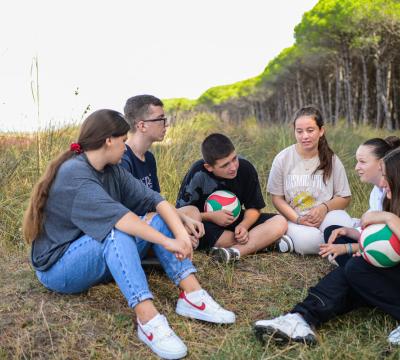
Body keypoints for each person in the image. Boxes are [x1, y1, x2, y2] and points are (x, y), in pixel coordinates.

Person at [23, 110, 235, 360]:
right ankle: (148, 319)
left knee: (158, 218)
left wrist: (180, 235)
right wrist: (170, 241)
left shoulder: (111, 169)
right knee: (117, 231)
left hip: (95, 253)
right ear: (109, 141)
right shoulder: (74, 175)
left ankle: (192, 295)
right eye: (124, 140)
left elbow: (155, 200)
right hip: (60, 269)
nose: (126, 147)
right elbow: (123, 220)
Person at [254, 146, 400, 346]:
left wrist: (387, 217)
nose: (382, 183)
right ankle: (301, 318)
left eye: (386, 176)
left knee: (356, 268)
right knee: (353, 270)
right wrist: (353, 239)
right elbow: (388, 245)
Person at [176, 133, 289, 263]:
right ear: (209, 167)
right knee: (198, 230)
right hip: (206, 226)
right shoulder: (197, 173)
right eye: (225, 165)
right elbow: (182, 214)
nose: (233, 167)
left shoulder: (245, 168)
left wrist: (244, 225)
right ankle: (263, 242)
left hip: (236, 223)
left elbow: (254, 208)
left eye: (234, 159)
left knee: (280, 221)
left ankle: (232, 252)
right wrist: (210, 216)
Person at [121, 94, 204, 250]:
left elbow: (157, 201)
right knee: (165, 218)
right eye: (160, 119)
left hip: (153, 218)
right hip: (135, 226)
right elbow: (124, 213)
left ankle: (176, 243)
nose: (166, 125)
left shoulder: (149, 158)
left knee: (191, 211)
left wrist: (182, 219)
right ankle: (170, 245)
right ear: (142, 125)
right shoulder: (123, 159)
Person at [267, 106, 353, 255]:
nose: (304, 136)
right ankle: (288, 238)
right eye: (299, 131)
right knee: (311, 242)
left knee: (343, 226)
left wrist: (324, 208)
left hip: (326, 213)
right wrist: (298, 219)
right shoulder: (282, 159)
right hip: (295, 218)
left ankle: (294, 242)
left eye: (310, 130)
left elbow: (345, 197)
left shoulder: (332, 159)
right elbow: (277, 199)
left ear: (321, 131)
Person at [321, 136, 400, 266]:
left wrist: (348, 248)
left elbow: (388, 243)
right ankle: (352, 262)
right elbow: (369, 229)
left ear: (381, 163)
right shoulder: (376, 191)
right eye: (357, 162)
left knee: (353, 265)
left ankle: (354, 265)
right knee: (332, 231)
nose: (357, 167)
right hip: (373, 241)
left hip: (391, 252)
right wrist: (348, 231)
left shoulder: (395, 193)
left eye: (362, 162)